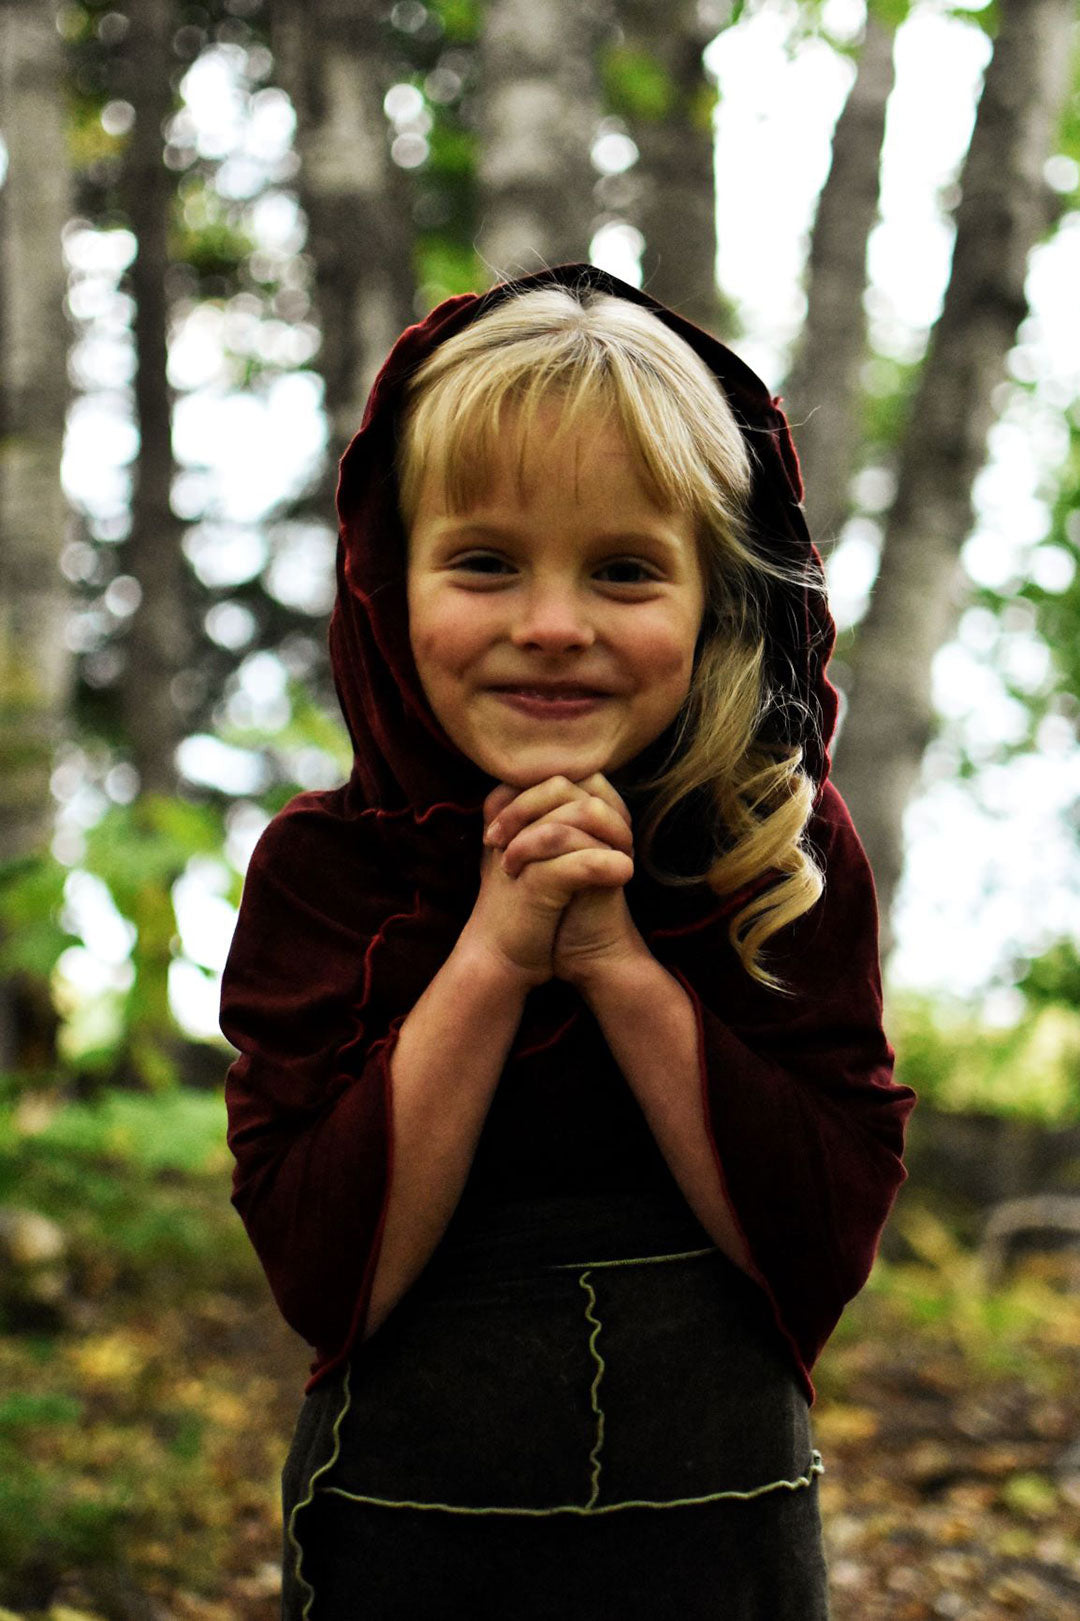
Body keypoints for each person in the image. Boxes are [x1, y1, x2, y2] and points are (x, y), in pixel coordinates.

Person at [219, 262, 916, 1620]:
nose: (552, 624)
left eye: (624, 569)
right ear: (386, 578)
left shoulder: (779, 849)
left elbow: (819, 1238)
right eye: (484, 560)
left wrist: (612, 958)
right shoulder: (328, 872)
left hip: (716, 1545)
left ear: (715, 596)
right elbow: (326, 1276)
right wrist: (495, 948)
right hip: (413, 1534)